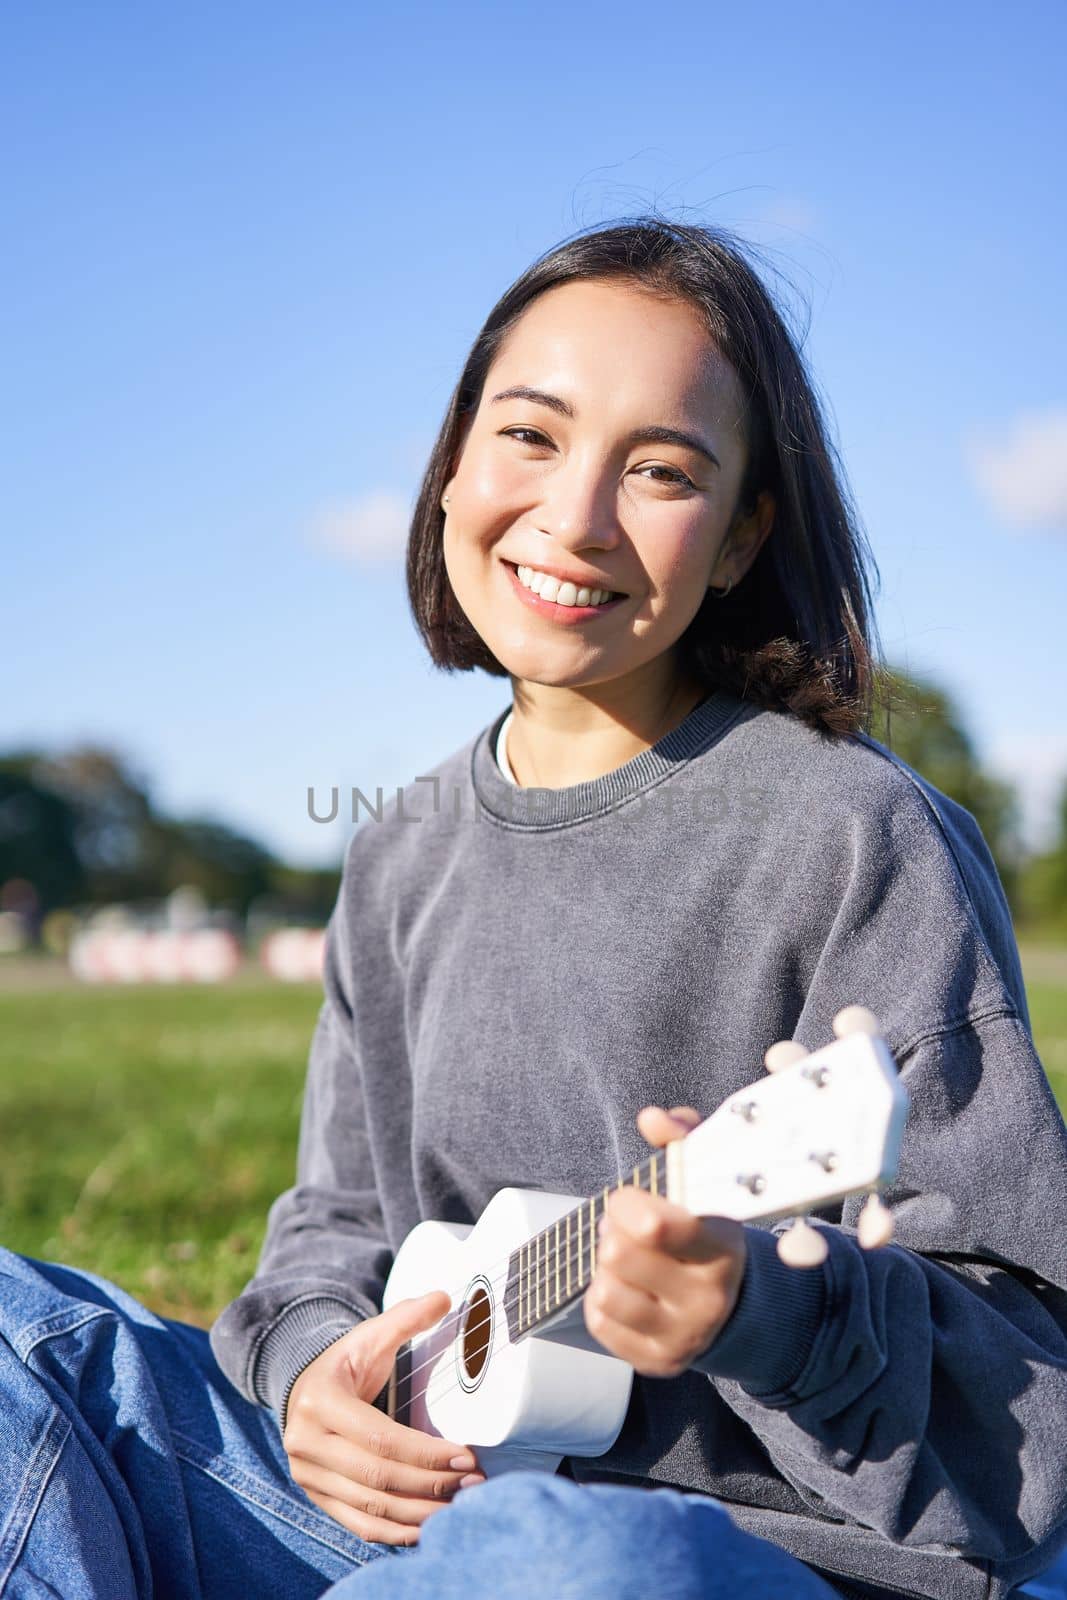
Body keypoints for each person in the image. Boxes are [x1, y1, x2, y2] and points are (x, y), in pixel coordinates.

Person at [2, 216, 1066, 1600]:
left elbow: (1031, 1416)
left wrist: (769, 1312)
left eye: (664, 470)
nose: (574, 518)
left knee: (564, 1562)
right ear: (451, 468)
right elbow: (332, 1225)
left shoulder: (855, 835)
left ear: (744, 536)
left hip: (697, 1556)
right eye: (531, 437)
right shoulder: (400, 854)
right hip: (389, 1522)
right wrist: (317, 1367)